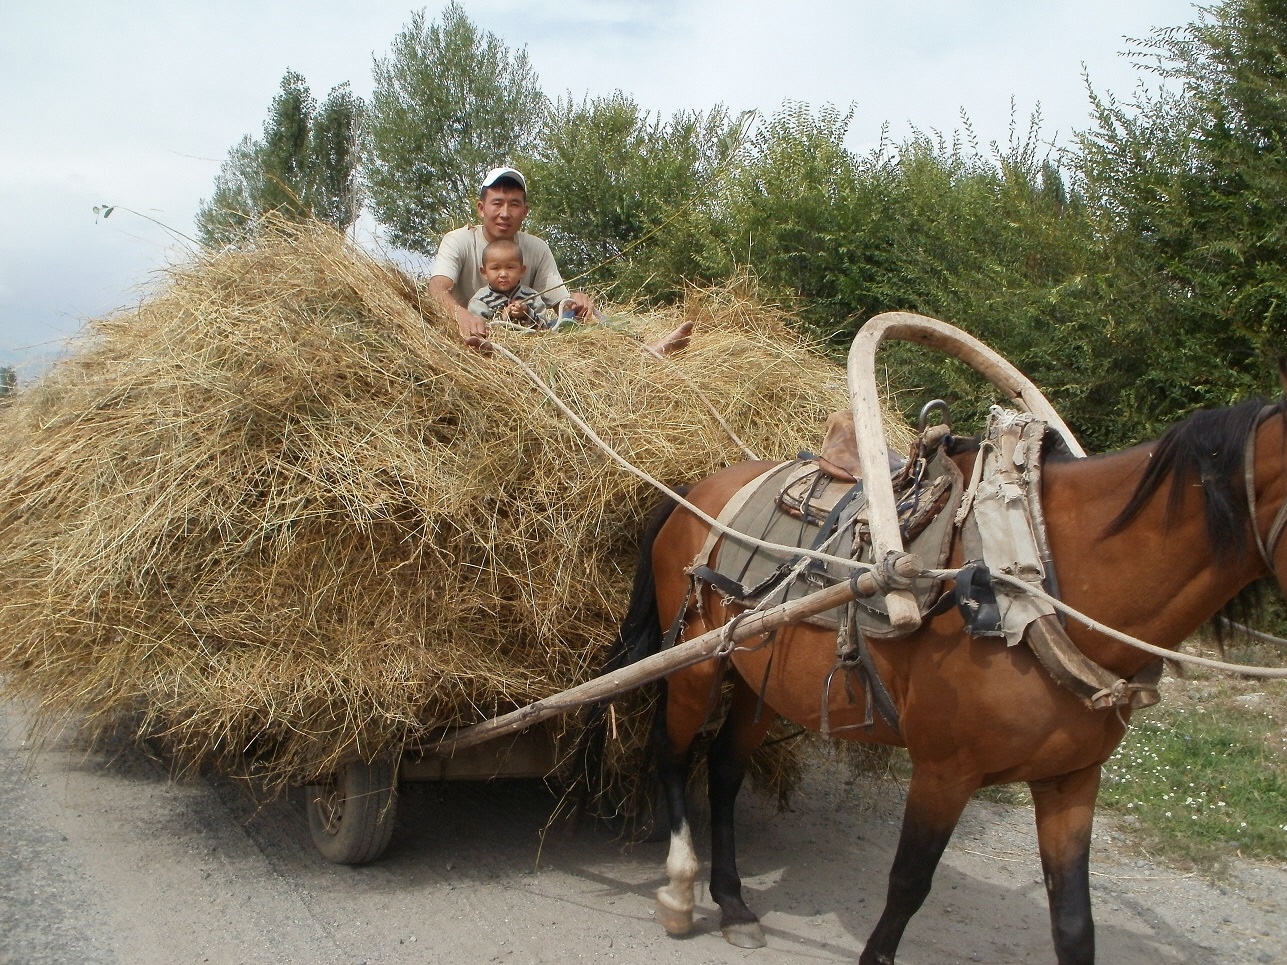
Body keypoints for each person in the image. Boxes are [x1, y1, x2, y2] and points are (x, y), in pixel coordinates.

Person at [430, 167, 692, 354]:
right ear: (481, 208)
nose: (505, 213)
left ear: (525, 211)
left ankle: (644, 350)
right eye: (497, 203)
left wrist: (576, 302)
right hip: (478, 336)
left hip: (530, 339)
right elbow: (437, 288)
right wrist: (461, 314)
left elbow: (560, 300)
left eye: (514, 204)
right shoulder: (459, 240)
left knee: (585, 312)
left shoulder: (537, 247)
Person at [467, 239, 551, 327]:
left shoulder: (532, 297)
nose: (503, 274)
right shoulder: (480, 300)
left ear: (522, 271)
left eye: (510, 267)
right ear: (484, 272)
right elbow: (478, 328)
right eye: (495, 268)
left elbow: (544, 327)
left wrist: (527, 313)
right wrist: (502, 318)